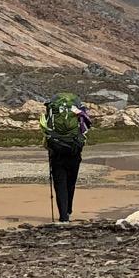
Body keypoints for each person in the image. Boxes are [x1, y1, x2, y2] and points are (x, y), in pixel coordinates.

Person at [42, 92, 93, 221]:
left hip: (57, 152)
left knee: (60, 184)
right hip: (74, 151)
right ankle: (68, 209)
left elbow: (45, 131)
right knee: (71, 182)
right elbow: (86, 128)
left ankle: (63, 216)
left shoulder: (51, 110)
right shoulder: (79, 109)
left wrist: (50, 145)